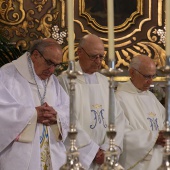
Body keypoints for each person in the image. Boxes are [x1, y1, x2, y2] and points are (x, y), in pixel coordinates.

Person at [0, 38, 69, 170]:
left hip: (52, 156)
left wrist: (57, 117)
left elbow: (67, 109)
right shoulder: (7, 74)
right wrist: (33, 114)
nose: (52, 70)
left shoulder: (52, 81)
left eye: (56, 65)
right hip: (19, 157)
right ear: (36, 55)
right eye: (49, 63)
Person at [58, 34, 125, 169]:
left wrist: (108, 148)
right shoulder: (65, 80)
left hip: (104, 157)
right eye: (94, 56)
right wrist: (92, 151)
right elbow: (65, 118)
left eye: (101, 56)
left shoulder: (105, 81)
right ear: (80, 52)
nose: (98, 61)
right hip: (79, 155)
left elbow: (117, 117)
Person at [115, 55, 165, 170]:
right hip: (138, 164)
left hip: (159, 160)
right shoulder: (119, 98)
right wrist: (154, 138)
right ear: (132, 72)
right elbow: (121, 135)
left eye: (153, 76)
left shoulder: (151, 96)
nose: (151, 81)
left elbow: (165, 120)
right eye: (147, 76)